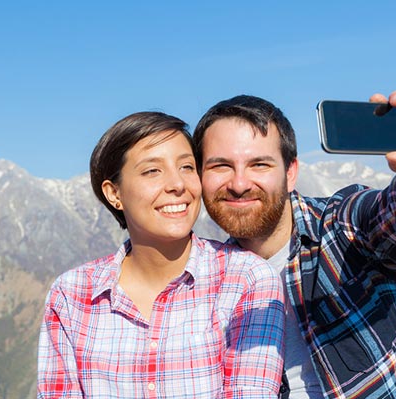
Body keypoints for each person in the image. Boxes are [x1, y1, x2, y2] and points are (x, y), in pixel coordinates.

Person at [192, 91, 396, 399]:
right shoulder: (202, 282)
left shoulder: (342, 229)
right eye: (220, 166)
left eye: (259, 164)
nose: (239, 183)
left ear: (291, 174)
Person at [37, 111, 286, 398]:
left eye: (186, 167)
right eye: (152, 171)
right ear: (114, 193)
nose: (177, 184)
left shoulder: (247, 280)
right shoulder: (71, 295)